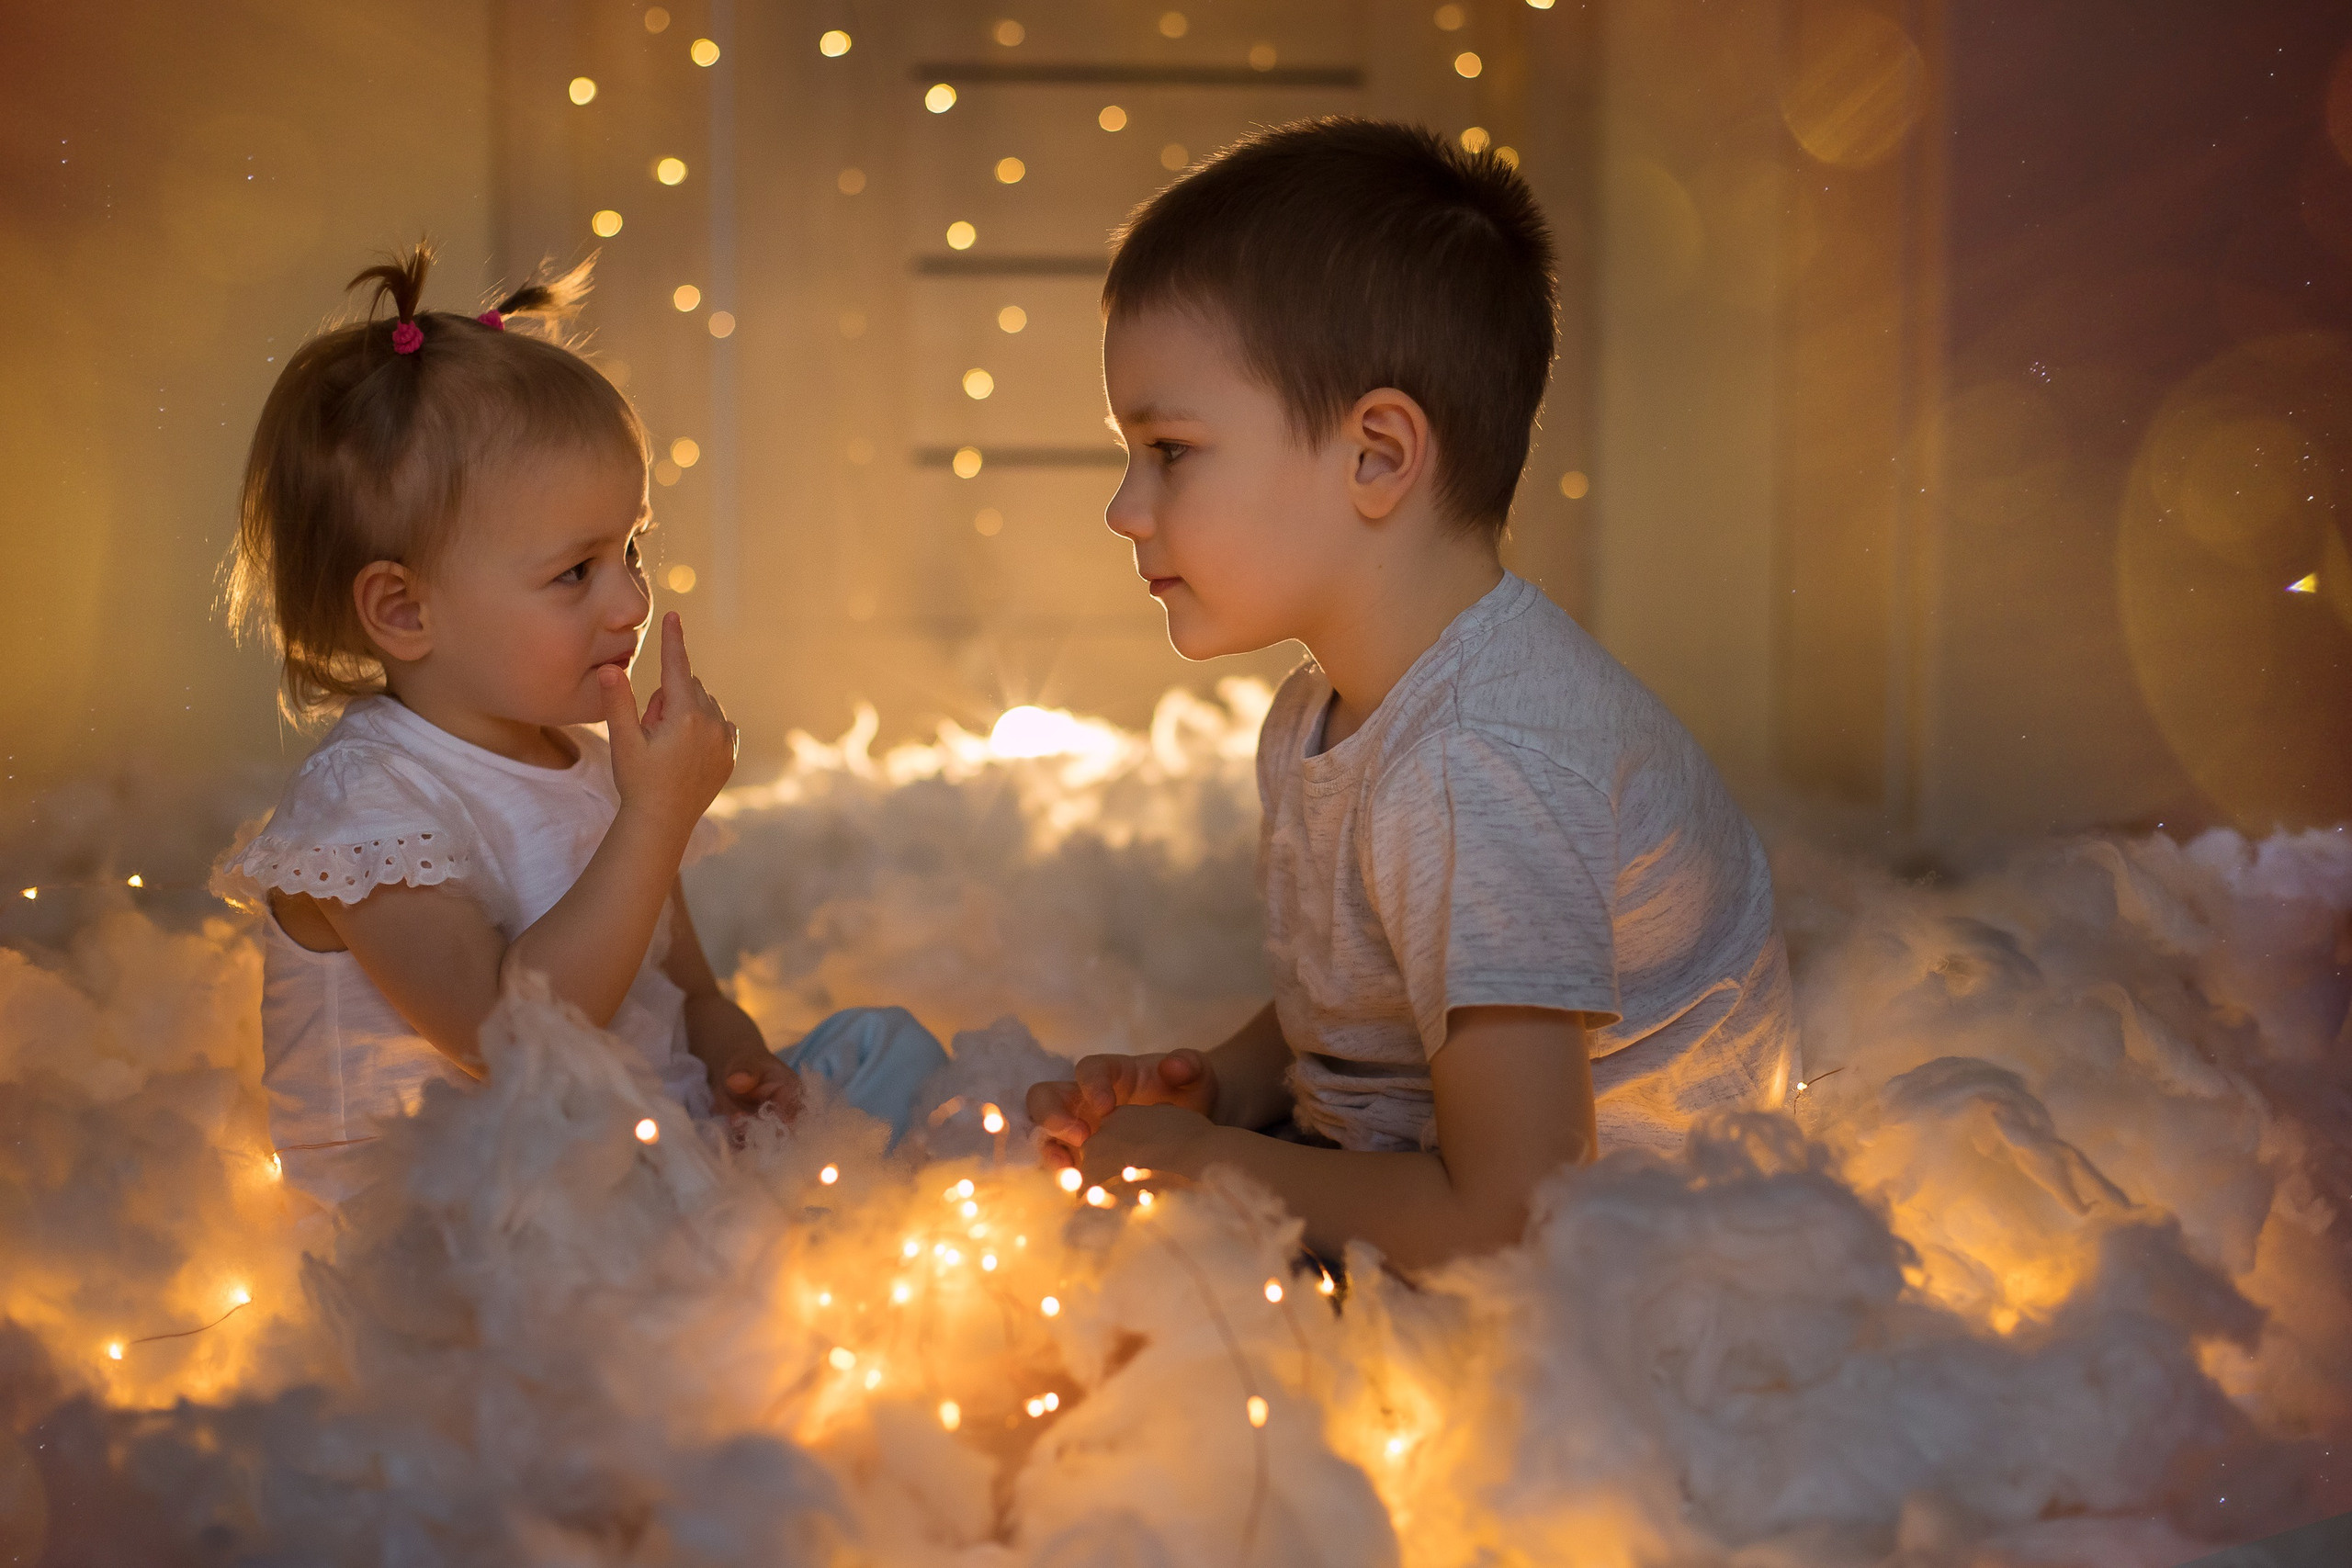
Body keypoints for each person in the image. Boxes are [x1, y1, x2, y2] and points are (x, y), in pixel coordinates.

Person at [1025, 120, 1797, 1272]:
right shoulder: (1323, 712)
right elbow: (1378, 993)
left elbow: (1516, 1218)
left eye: (1170, 451)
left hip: (1610, 1271)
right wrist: (1222, 1087)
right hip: (1411, 1185)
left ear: (1378, 456)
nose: (1124, 509)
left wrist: (1203, 1166)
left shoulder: (1478, 761)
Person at [213, 243, 944, 1208]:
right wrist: (654, 819)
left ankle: (795, 1200)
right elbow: (510, 1041)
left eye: (632, 549)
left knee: (882, 1047)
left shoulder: (599, 768)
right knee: (757, 1212)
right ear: (404, 610)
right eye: (576, 572)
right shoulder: (367, 806)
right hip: (476, 1218)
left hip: (642, 1148)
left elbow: (689, 994)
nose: (634, 601)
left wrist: (738, 1060)